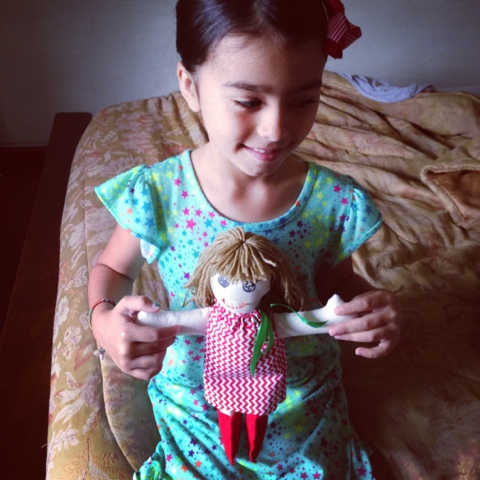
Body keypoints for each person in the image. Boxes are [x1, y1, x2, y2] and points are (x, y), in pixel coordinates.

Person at [88, 0, 403, 478]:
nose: (276, 129)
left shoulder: (330, 201)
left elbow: (337, 284)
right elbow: (113, 270)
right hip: (197, 405)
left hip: (302, 402)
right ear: (190, 87)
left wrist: (370, 310)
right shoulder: (159, 194)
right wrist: (102, 319)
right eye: (249, 101)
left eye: (303, 101)